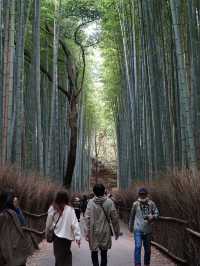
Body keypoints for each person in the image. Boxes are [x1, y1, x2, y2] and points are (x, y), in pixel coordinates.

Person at [85, 184, 120, 266]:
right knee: (104, 253)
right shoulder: (109, 202)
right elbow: (114, 218)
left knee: (94, 252)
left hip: (94, 232)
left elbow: (87, 218)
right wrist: (116, 232)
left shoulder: (90, 202)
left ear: (94, 192)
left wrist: (87, 232)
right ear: (104, 191)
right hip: (105, 231)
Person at [45, 190, 81, 266]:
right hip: (67, 237)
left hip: (57, 236)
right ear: (66, 198)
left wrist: (47, 233)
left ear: (57, 198)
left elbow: (48, 224)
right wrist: (78, 237)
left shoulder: (53, 208)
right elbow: (75, 224)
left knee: (58, 256)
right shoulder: (70, 209)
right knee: (67, 255)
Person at [0, 189, 32, 266]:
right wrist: (17, 208)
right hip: (16, 252)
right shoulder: (10, 214)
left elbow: (23, 223)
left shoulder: (9, 213)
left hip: (10, 253)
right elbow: (24, 223)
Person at [129, 188, 159, 266]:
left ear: (146, 194)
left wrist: (152, 217)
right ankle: (137, 264)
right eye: (141, 194)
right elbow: (132, 216)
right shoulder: (135, 204)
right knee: (138, 246)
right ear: (139, 195)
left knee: (148, 250)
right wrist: (130, 227)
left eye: (143, 194)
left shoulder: (151, 203)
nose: (142, 196)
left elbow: (157, 213)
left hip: (148, 230)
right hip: (138, 229)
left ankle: (146, 264)